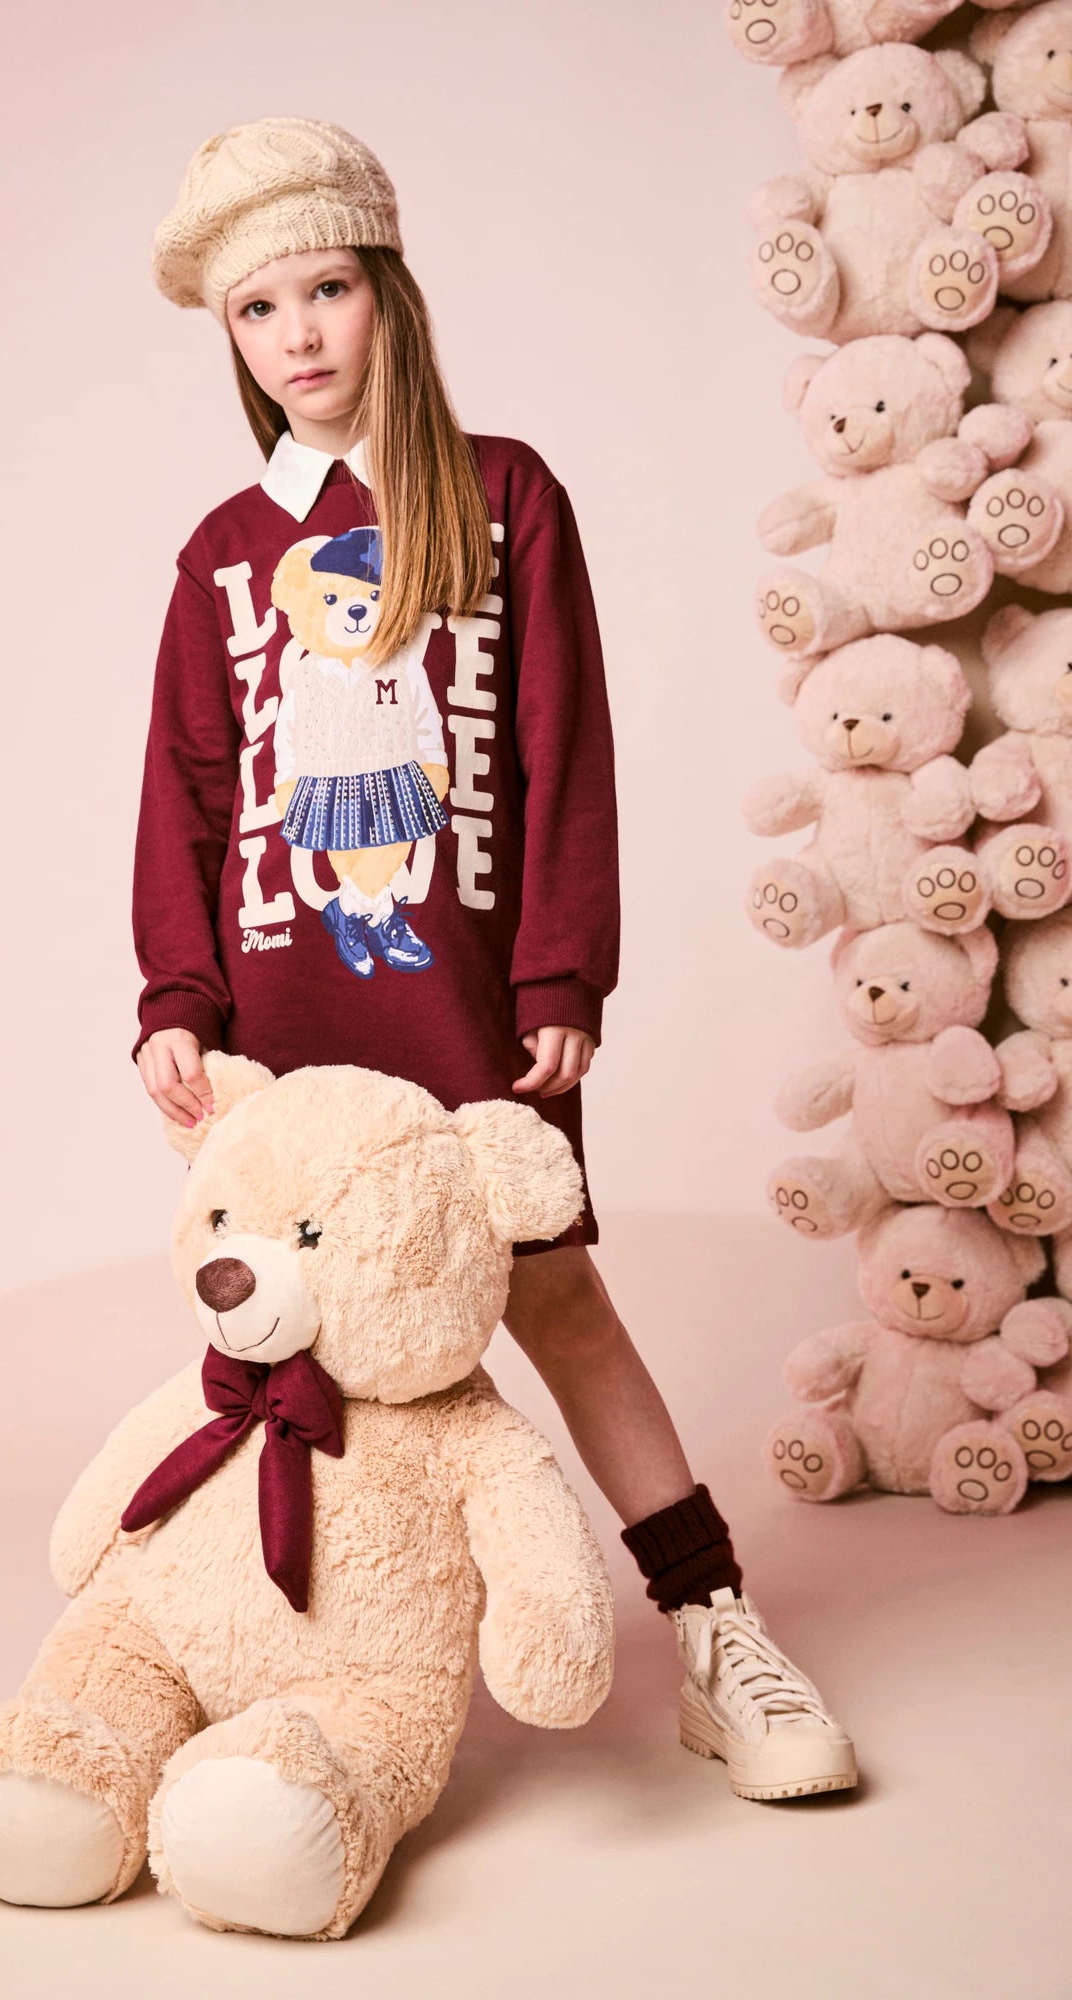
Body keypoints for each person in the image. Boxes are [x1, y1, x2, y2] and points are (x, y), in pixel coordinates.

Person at [131, 115, 857, 1802]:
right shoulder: (223, 553)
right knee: (289, 1347)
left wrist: (556, 976)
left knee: (554, 1298)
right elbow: (188, 786)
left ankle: (715, 1634)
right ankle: (279, 1675)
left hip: (459, 999)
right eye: (257, 309)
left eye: (324, 290)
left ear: (386, 292)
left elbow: (559, 748)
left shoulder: (502, 496)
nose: (298, 335)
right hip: (278, 1017)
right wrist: (176, 997)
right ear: (230, 339)